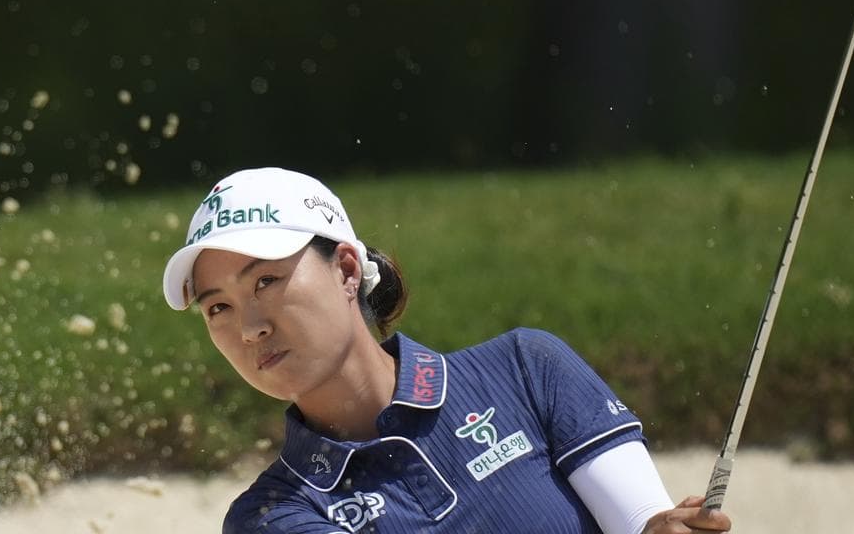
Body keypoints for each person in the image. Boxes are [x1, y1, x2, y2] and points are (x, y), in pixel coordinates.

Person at [162, 167, 732, 534]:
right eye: (218, 308)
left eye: (265, 282)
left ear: (345, 269)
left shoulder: (526, 369)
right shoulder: (272, 518)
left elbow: (639, 522)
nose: (250, 328)